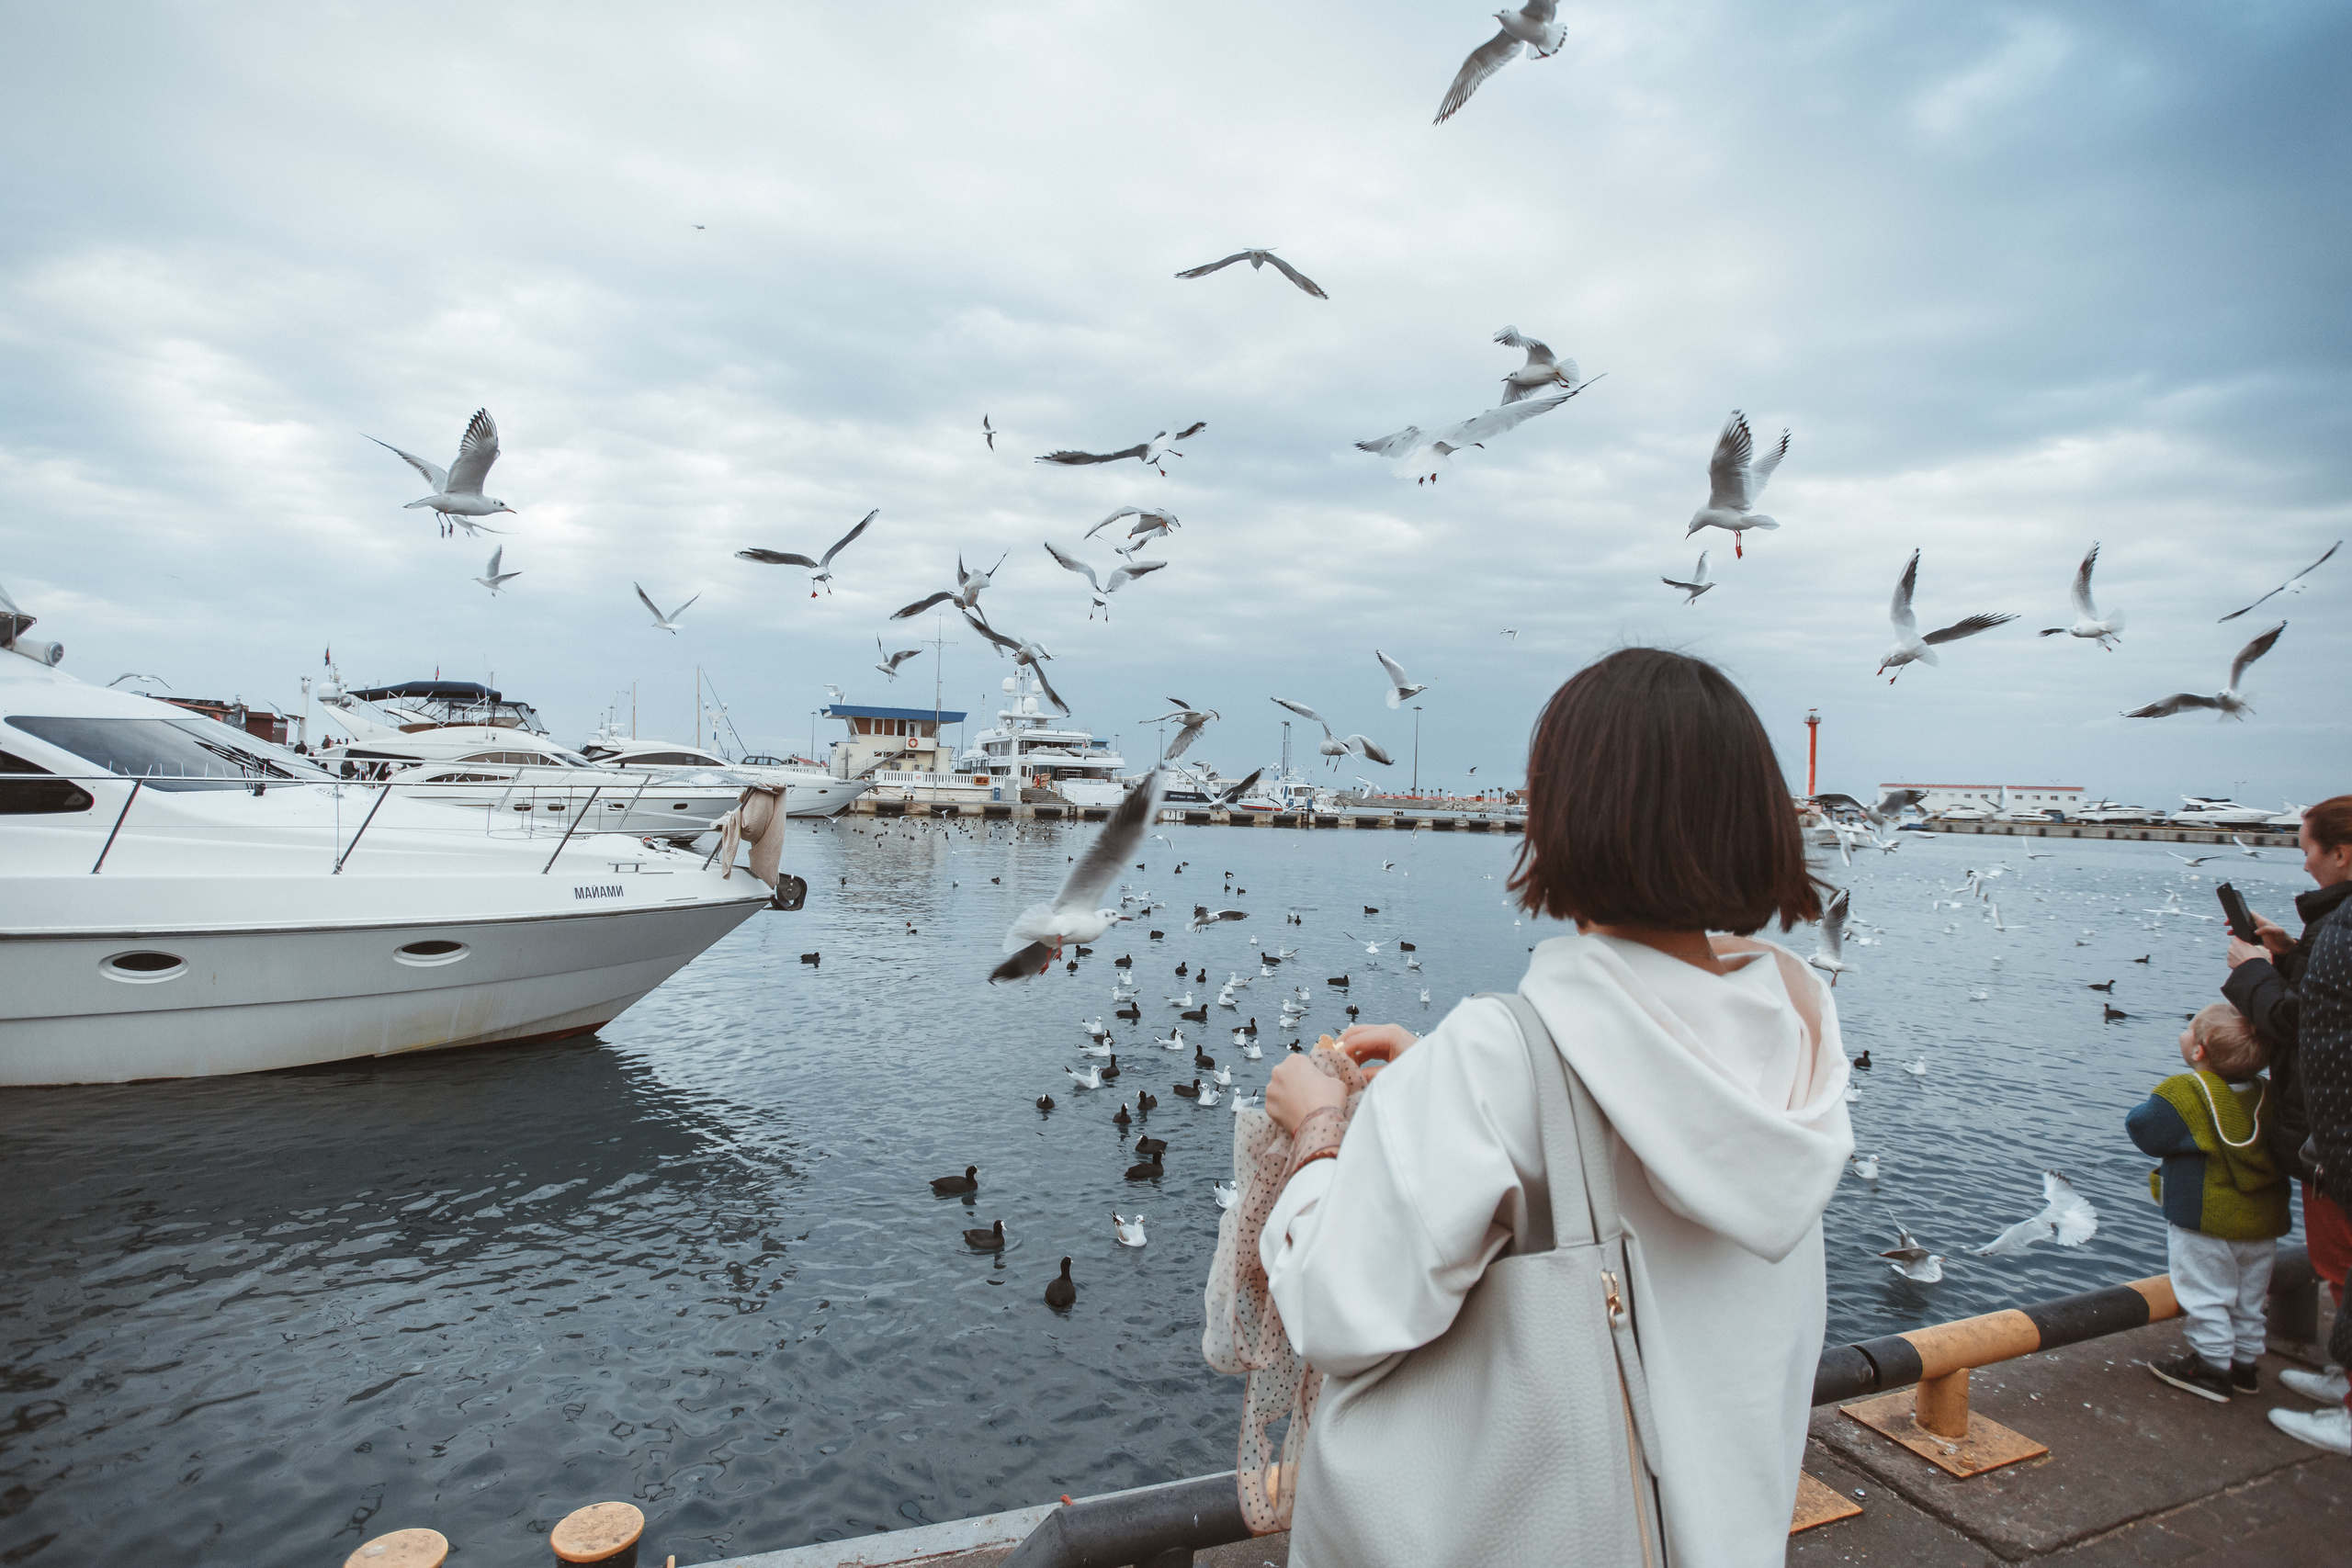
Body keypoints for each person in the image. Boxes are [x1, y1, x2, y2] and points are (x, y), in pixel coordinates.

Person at [1260, 648, 1852, 1568]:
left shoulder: (1491, 1063)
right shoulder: (1793, 1047)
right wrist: (1453, 1076)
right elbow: (1640, 1096)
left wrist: (1318, 1132)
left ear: (1565, 816)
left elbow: (1336, 1310)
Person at [2223, 796, 2352, 1435]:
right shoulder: (2337, 926)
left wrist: (2253, 973)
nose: (2303, 865)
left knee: (2342, 1262)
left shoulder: (2346, 926)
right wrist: (2290, 951)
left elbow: (2300, 1020)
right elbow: (2328, 997)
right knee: (2336, 1263)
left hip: (2335, 1129)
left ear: (2341, 853)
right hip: (2327, 1124)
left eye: (2307, 849)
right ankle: (2345, 1377)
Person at [2126, 1003, 2289, 1402]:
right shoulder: (2267, 1094)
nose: (2184, 1034)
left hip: (2204, 1220)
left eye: (2190, 1029)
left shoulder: (2185, 1092)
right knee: (2249, 1300)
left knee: (2205, 1295)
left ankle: (2212, 1369)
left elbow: (2144, 1130)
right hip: (2261, 1223)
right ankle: (2244, 1365)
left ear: (2199, 1050)